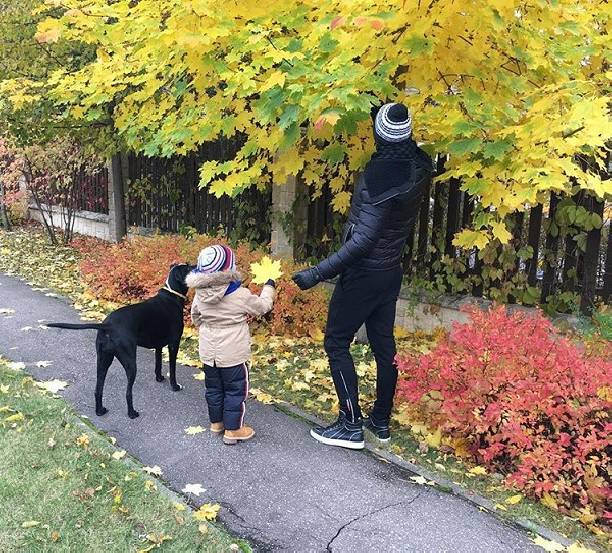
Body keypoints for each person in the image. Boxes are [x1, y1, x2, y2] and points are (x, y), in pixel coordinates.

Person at [292, 102, 432, 450]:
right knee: (384, 348)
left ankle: (350, 424)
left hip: (364, 275)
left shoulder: (379, 177)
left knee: (336, 342)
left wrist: (316, 273)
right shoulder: (420, 164)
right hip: (391, 271)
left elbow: (363, 241)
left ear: (379, 134)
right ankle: (380, 421)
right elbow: (396, 136)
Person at [187, 245, 276, 445]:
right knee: (235, 390)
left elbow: (195, 317)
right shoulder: (240, 295)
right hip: (233, 353)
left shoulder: (199, 294)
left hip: (209, 352)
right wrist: (269, 287)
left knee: (214, 388)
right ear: (229, 269)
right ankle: (233, 430)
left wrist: (211, 325)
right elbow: (262, 307)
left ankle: (217, 423)